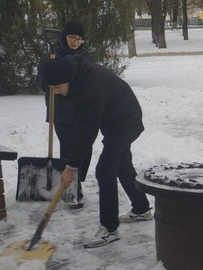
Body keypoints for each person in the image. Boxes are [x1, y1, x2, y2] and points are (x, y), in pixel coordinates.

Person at [42, 54, 154, 248]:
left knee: (104, 170)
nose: (56, 93)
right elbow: (84, 126)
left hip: (125, 121)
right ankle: (141, 209)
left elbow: (87, 132)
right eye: (52, 89)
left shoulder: (88, 87)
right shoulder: (76, 76)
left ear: (67, 79)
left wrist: (71, 166)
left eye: (57, 88)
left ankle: (109, 229)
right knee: (121, 164)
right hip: (114, 118)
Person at [37, 21, 93, 209]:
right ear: (65, 37)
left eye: (79, 38)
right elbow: (41, 82)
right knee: (69, 149)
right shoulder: (51, 56)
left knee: (85, 149)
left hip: (82, 108)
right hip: (60, 110)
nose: (76, 42)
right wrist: (50, 84)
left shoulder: (86, 56)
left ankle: (76, 181)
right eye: (72, 38)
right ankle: (72, 189)